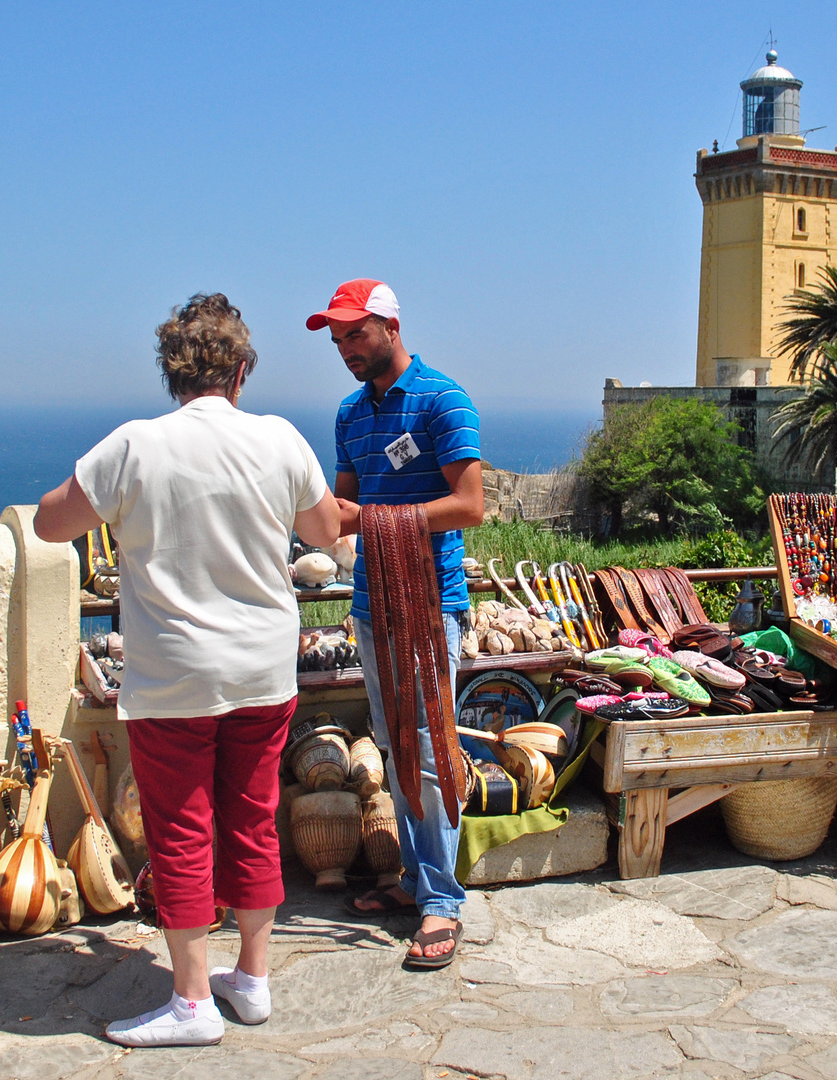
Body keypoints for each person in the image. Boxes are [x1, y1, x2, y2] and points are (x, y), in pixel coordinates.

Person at [35, 293, 340, 1046]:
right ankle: (255, 981)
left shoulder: (136, 445)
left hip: (173, 674)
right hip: (263, 669)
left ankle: (193, 1001)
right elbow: (326, 530)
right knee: (251, 818)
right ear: (240, 372)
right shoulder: (278, 441)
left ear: (172, 372)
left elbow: (49, 524)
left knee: (180, 830)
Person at [310, 279, 483, 970]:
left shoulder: (443, 399)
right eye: (337, 339)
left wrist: (374, 520)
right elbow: (338, 512)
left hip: (429, 601)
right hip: (371, 603)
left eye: (356, 333)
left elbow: (469, 505)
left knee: (429, 746)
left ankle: (441, 901)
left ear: (388, 325)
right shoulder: (350, 415)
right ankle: (412, 879)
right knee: (391, 743)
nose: (346, 349)